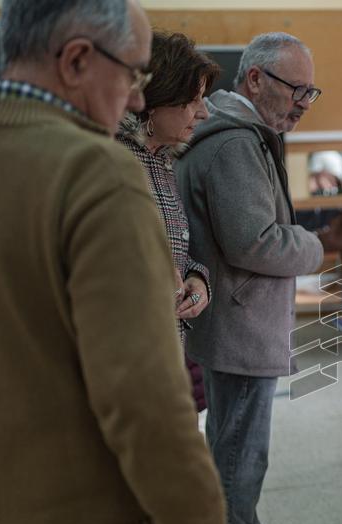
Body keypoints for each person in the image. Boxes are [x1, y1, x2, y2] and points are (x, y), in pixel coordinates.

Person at [0, 0, 235, 524]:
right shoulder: (99, 171)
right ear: (78, 59)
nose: (138, 97)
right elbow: (144, 396)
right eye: (134, 74)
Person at [175, 31, 324, 524]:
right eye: (295, 89)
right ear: (255, 79)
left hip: (236, 319)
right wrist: (312, 245)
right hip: (239, 324)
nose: (303, 103)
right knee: (241, 451)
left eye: (311, 92)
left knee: (232, 443)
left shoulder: (242, 132)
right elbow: (254, 242)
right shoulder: (235, 143)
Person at [116, 31, 218, 343]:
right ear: (155, 101)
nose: (204, 112)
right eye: (192, 100)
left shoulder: (162, 160)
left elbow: (170, 251)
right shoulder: (111, 159)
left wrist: (196, 278)